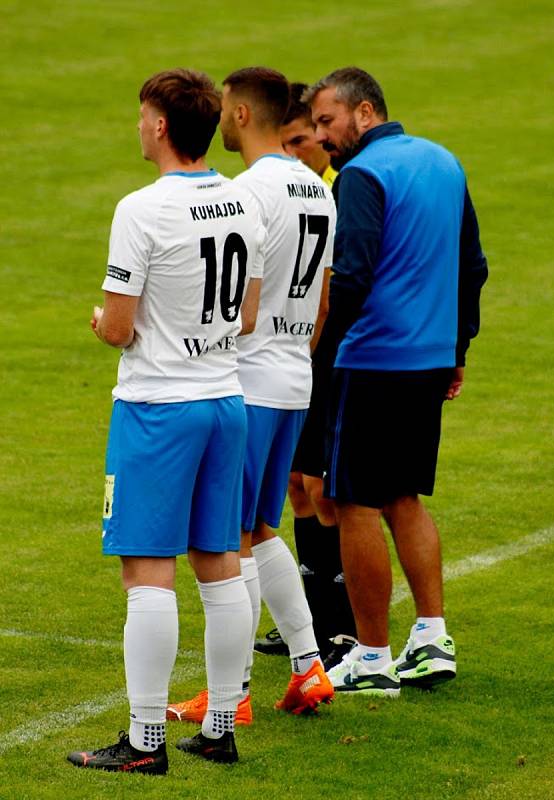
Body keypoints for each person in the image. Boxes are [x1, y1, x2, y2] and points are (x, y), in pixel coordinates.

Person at [66, 68, 266, 773]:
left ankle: (146, 741)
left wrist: (102, 324)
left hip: (159, 408)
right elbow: (245, 317)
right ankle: (219, 727)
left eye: (142, 114)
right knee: (220, 565)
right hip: (225, 402)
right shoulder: (244, 202)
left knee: (147, 569)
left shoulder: (141, 209)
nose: (138, 125)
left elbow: (119, 329)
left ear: (158, 126)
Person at [303, 67, 488, 694]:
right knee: (404, 497)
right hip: (428, 359)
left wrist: (321, 358)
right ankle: (432, 637)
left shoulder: (361, 174)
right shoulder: (444, 161)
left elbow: (351, 276)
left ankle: (374, 656)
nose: (322, 136)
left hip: (373, 359)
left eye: (327, 121)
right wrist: (457, 346)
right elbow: (473, 265)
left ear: (365, 111)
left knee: (353, 502)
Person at [167, 67, 336, 723]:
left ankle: (230, 695)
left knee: (224, 538)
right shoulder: (318, 191)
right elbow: (322, 302)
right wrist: (294, 353)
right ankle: (308, 666)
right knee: (261, 530)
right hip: (295, 378)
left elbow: (235, 303)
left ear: (239, 114)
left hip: (248, 382)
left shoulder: (244, 193)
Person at [255, 82, 357, 668]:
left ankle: (339, 626)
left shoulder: (333, 193)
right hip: (299, 361)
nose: (301, 149)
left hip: (325, 359)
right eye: (290, 140)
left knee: (320, 489)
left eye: (306, 139)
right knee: (294, 485)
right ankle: (311, 619)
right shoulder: (303, 191)